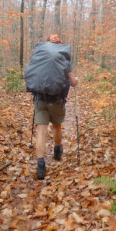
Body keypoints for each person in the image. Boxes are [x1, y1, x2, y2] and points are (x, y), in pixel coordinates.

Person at [34, 34, 78, 180]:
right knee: (56, 126)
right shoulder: (63, 57)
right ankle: (57, 151)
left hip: (40, 98)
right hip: (57, 100)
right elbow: (72, 82)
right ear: (60, 44)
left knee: (41, 130)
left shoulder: (40, 56)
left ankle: (40, 165)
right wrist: (75, 79)